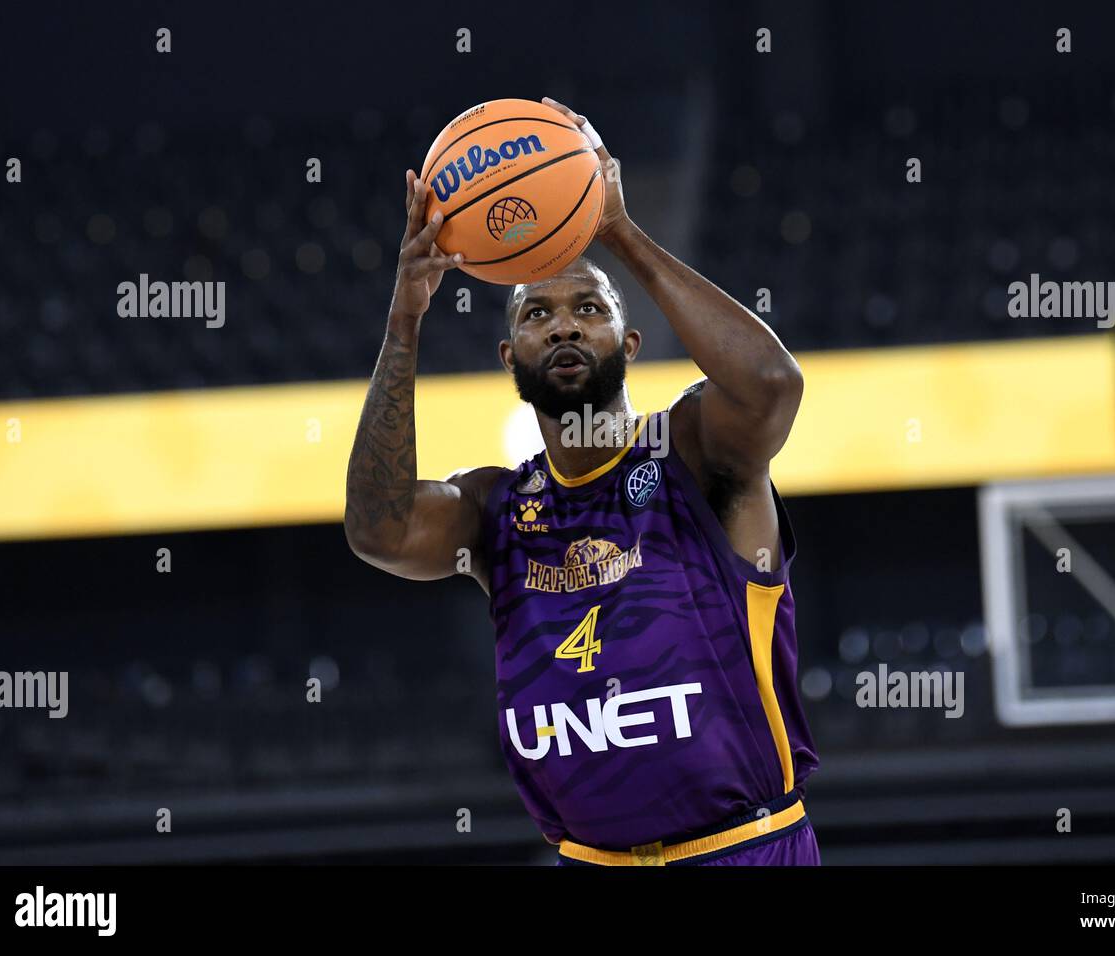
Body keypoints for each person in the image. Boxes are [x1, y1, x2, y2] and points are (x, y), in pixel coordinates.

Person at [345, 97, 819, 865]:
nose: (563, 325)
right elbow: (378, 529)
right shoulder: (494, 508)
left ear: (628, 343)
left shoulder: (695, 457)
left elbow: (772, 383)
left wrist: (619, 233)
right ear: (510, 358)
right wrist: (404, 318)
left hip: (742, 850)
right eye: (536, 314)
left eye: (588, 308)